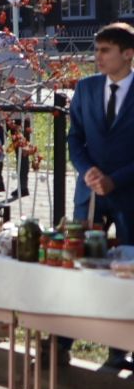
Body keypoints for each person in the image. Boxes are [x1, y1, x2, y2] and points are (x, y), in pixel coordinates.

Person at [69, 21, 134, 244]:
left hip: (129, 196)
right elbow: (75, 138)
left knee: (127, 270)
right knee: (80, 265)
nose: (98, 56)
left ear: (128, 54)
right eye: (96, 50)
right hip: (89, 196)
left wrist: (114, 180)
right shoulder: (86, 88)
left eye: (105, 50)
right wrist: (87, 171)